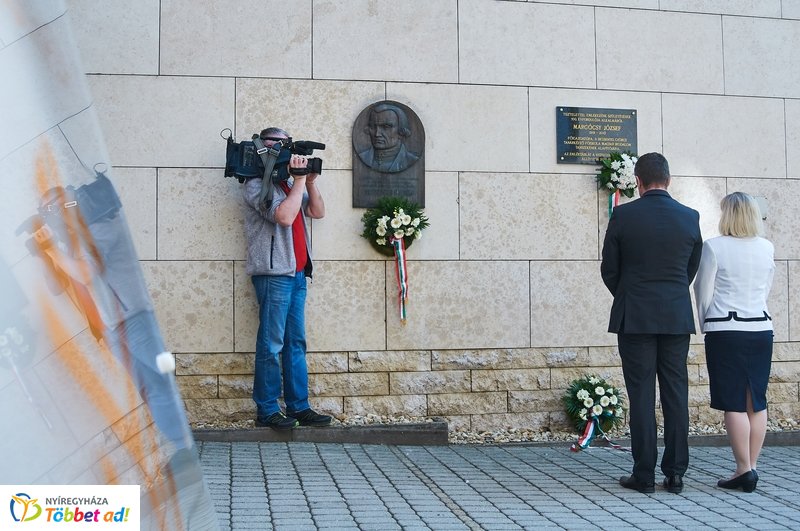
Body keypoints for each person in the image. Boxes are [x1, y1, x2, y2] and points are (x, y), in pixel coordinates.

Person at [600, 152, 703, 494]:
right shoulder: (690, 217)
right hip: (675, 315)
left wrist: (629, 295)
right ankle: (675, 473)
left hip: (635, 317)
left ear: (638, 182)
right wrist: (672, 293)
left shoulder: (624, 215)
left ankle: (643, 474)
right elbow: (690, 267)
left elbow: (609, 268)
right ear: (669, 180)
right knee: (676, 394)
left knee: (641, 395)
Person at [243, 126, 333, 430]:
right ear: (264, 148)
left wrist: (309, 182)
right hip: (274, 275)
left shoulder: (289, 183)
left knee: (296, 343)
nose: (284, 151)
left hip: (297, 275)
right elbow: (283, 216)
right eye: (277, 145)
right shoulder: (257, 184)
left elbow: (317, 212)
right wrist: (298, 182)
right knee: (271, 344)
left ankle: (299, 407)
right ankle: (267, 410)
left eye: (286, 145)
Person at [693, 192, 774, 493]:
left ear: (728, 215)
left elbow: (702, 291)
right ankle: (751, 466)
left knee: (734, 402)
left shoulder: (714, 247)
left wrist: (706, 323)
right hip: (761, 328)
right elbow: (765, 288)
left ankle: (743, 469)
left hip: (726, 330)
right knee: (756, 401)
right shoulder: (766, 247)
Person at [358, 102, 420, 173]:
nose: (377, 134)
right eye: (373, 127)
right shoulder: (362, 157)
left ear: (401, 131)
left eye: (386, 127)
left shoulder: (410, 160)